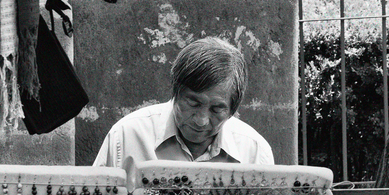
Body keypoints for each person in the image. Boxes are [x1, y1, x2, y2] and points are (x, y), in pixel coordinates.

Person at [93, 37, 275, 168]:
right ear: (175, 91)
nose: (201, 120)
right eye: (193, 103)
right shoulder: (126, 137)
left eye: (217, 109)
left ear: (232, 110)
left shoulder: (254, 153)